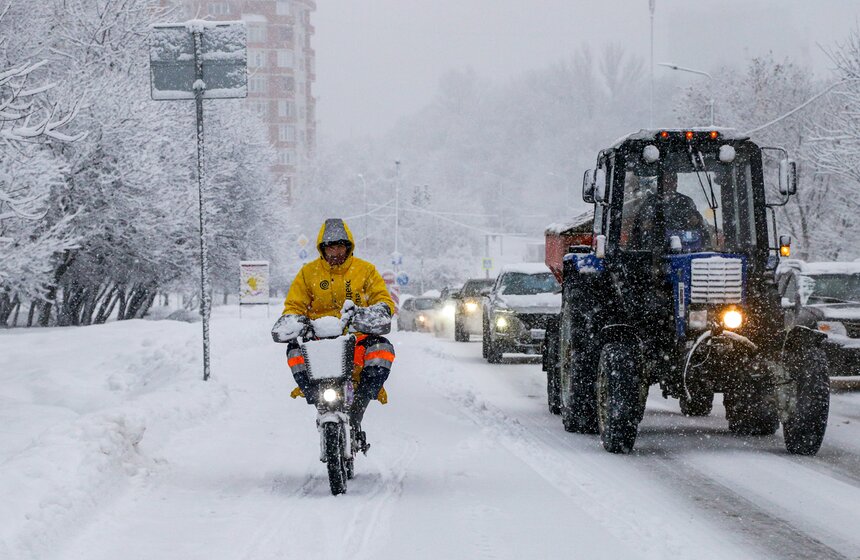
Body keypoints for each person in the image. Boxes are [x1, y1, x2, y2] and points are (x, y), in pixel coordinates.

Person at [271, 218, 396, 446]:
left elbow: (382, 299)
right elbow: (294, 305)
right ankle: (312, 393)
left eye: (340, 246)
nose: (335, 252)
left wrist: (376, 312)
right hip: (318, 343)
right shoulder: (308, 273)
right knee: (294, 350)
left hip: (357, 341)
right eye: (331, 247)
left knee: (382, 349)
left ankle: (361, 401)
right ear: (322, 248)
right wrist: (293, 320)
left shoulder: (365, 271)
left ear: (348, 247)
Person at [628, 172, 710, 251]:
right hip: (655, 248)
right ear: (660, 183)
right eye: (666, 181)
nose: (669, 184)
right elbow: (640, 226)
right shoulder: (651, 202)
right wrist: (647, 224)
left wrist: (696, 221)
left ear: (676, 183)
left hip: (685, 247)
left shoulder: (685, 202)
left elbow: (698, 222)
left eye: (672, 181)